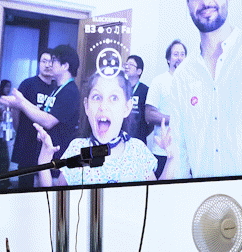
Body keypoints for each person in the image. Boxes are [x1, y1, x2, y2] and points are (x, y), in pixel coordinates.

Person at [163, 0, 242, 178]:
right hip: (203, 204)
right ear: (188, 4)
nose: (205, 0)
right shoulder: (183, 75)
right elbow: (181, 156)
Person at [34, 71, 177, 186]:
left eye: (114, 98)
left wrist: (171, 159)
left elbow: (157, 196)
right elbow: (56, 197)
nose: (103, 106)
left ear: (127, 107)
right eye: (97, 97)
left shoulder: (137, 151)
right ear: (87, 106)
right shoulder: (77, 150)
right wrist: (44, 161)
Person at [0, 50, 56, 188]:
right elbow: (15, 110)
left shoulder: (58, 88)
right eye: (44, 61)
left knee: (46, 181)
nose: (48, 65)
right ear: (39, 63)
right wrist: (20, 130)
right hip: (27, 142)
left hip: (48, 142)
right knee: (25, 184)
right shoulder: (28, 84)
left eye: (51, 62)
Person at [144, 39, 186, 177]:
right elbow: (149, 114)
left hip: (186, 152)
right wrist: (174, 119)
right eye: (175, 54)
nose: (179, 58)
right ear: (168, 59)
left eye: (182, 54)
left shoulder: (192, 83)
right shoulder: (159, 81)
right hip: (163, 151)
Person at [121, 54, 151, 144]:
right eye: (126, 64)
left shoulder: (145, 90)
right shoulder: (121, 88)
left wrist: (143, 133)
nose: (127, 66)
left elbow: (150, 122)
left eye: (131, 65)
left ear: (139, 71)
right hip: (121, 137)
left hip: (139, 138)